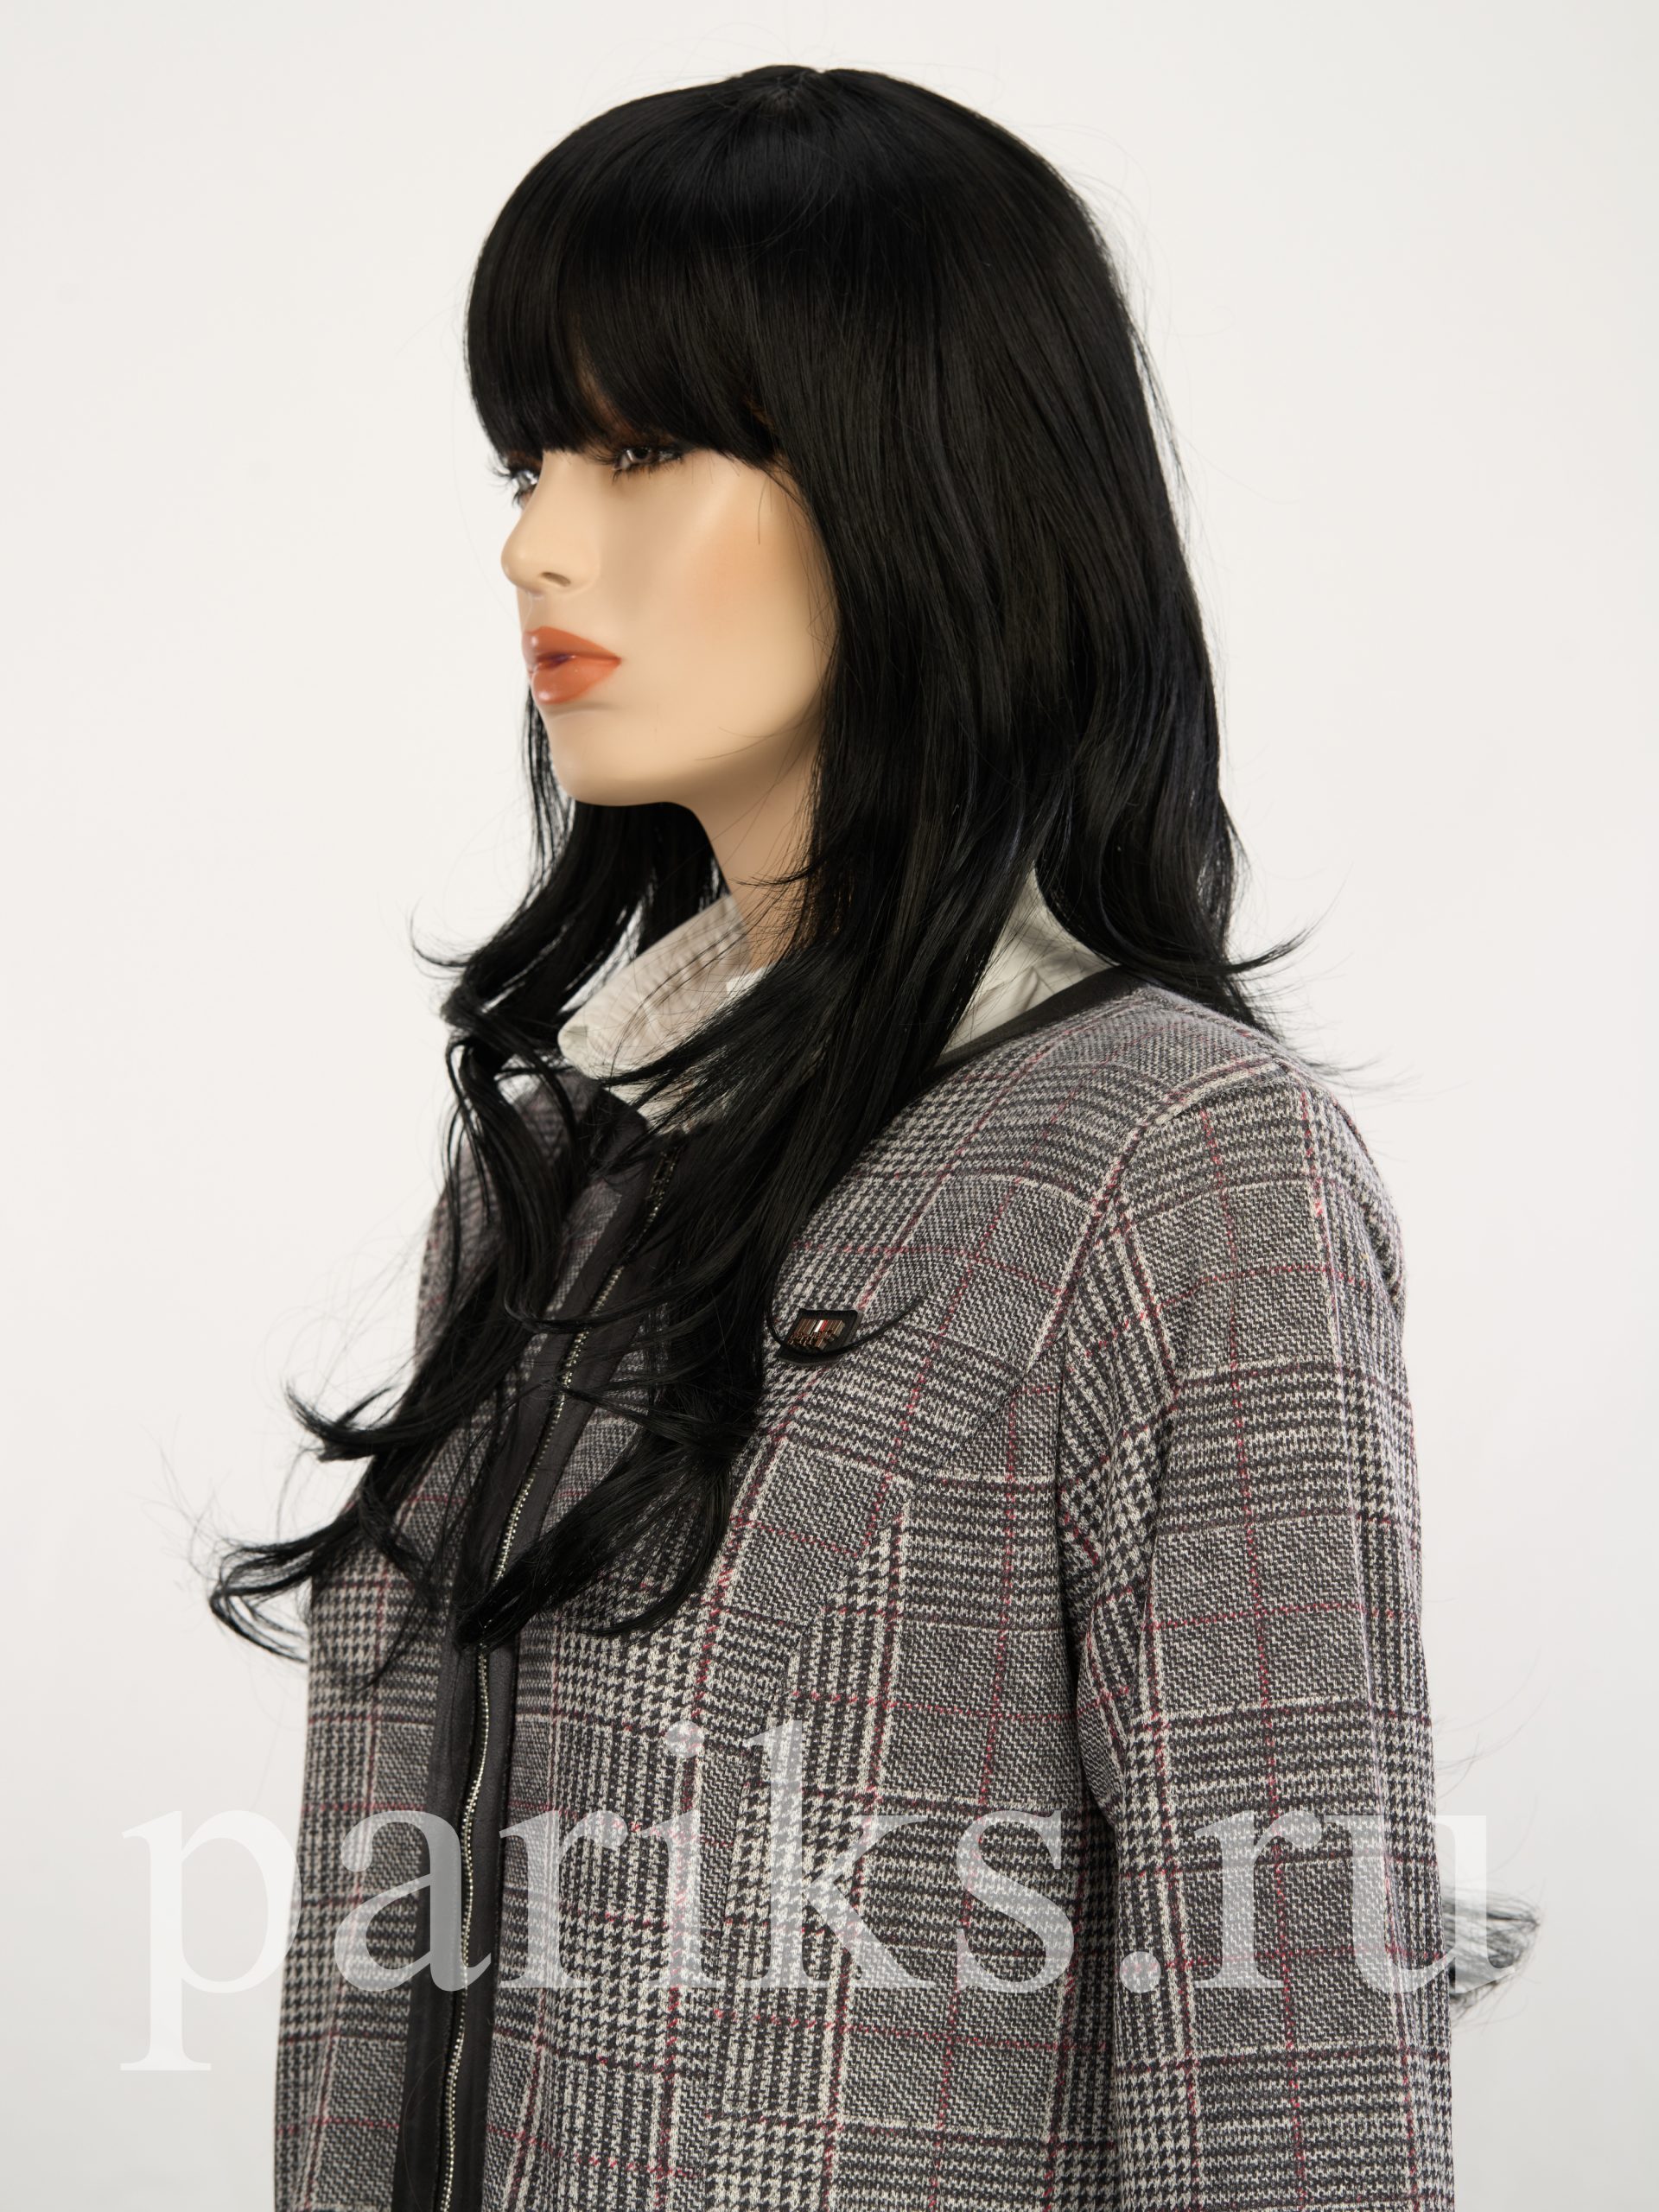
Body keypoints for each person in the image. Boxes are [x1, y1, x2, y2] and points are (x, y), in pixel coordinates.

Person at [213, 63, 1462, 2212]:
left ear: (923, 484)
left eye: (638, 449)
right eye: (529, 458)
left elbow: (1294, 2062)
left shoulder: (1178, 1163)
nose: (535, 542)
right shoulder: (561, 1166)